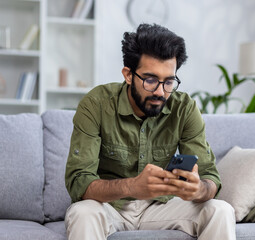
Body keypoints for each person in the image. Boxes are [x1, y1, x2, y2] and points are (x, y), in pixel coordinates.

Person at [64, 23, 236, 240]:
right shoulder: (95, 104)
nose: (160, 92)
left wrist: (199, 190)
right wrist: (132, 186)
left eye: (169, 82)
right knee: (83, 212)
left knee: (220, 210)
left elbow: (210, 177)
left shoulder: (185, 108)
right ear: (128, 75)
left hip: (161, 207)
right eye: (150, 80)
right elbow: (78, 182)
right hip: (109, 207)